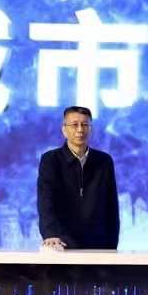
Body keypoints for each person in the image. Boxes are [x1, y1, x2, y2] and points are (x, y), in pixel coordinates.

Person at [37, 106, 120, 250]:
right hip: (61, 242)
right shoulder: (50, 160)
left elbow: (111, 206)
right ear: (64, 130)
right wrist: (50, 234)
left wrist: (112, 245)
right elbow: (45, 200)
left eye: (85, 125)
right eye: (74, 125)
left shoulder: (104, 161)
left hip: (99, 244)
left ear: (90, 129)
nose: (80, 130)